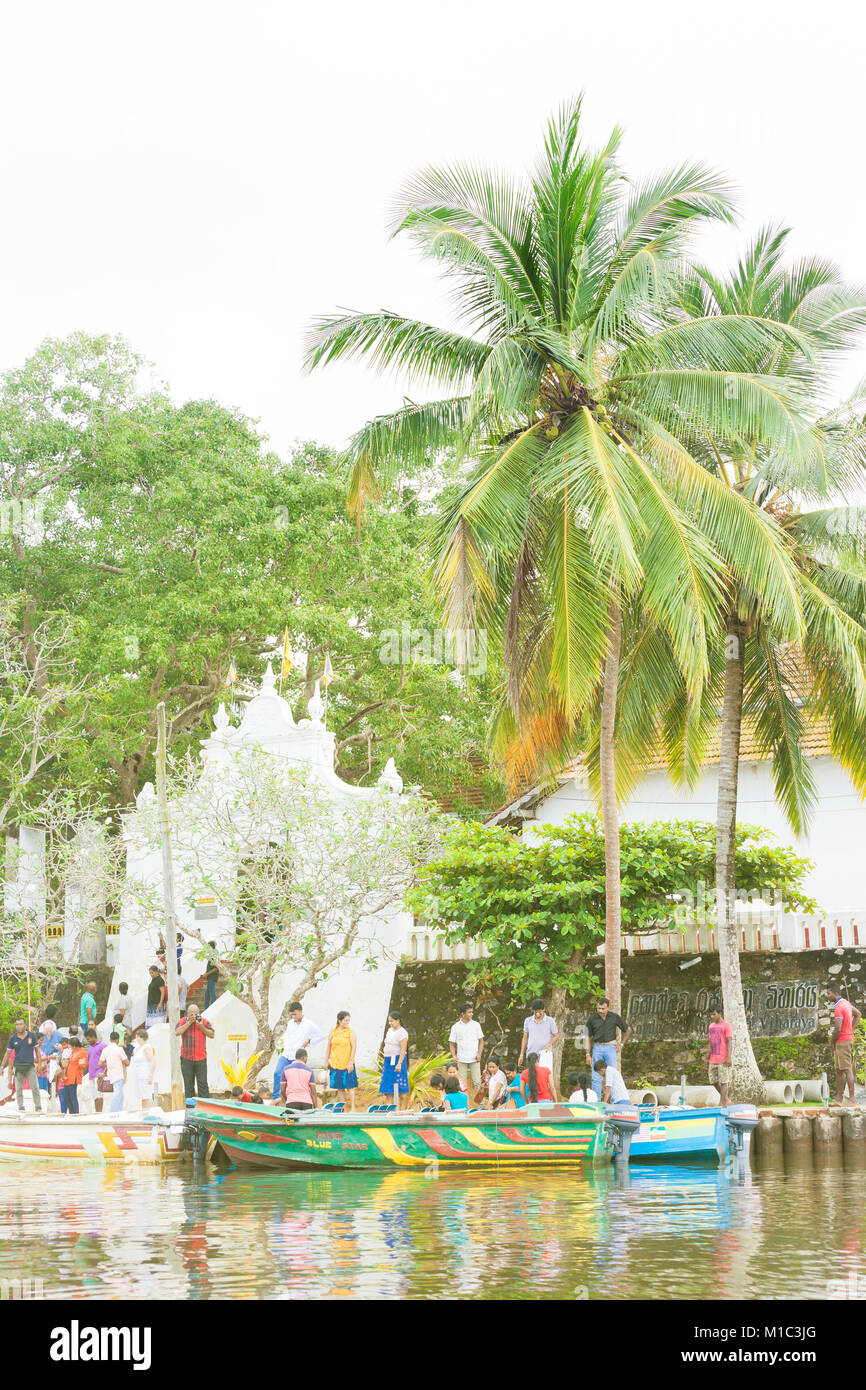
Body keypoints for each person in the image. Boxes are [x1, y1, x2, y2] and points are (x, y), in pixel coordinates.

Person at [272, 1001, 326, 1100]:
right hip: (286, 1054)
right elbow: (287, 1036)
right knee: (277, 1073)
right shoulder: (290, 1023)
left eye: (295, 1014)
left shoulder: (309, 1024)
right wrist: (281, 1045)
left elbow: (321, 1035)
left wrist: (309, 1042)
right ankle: (275, 1098)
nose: (293, 1016)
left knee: (294, 1079)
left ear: (301, 1012)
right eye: (292, 1014)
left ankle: (292, 1098)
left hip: (296, 1057)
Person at [585, 997, 631, 1101]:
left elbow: (627, 1029)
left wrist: (622, 1044)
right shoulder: (592, 1019)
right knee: (596, 1076)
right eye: (599, 1008)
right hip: (597, 1048)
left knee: (612, 1074)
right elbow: (588, 1036)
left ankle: (614, 1100)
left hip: (611, 1048)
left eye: (603, 1009)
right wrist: (587, 1054)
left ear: (608, 1008)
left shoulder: (614, 1017)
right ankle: (596, 1102)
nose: (600, 1011)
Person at [826, 985, 862, 1106]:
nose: (827, 996)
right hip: (844, 1040)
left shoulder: (839, 1007)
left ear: (834, 993)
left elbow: (837, 1029)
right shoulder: (846, 1003)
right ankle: (838, 1100)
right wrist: (850, 1029)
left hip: (842, 1042)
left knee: (847, 1069)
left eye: (828, 993)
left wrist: (832, 1041)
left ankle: (851, 1100)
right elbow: (858, 1014)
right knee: (839, 1070)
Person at [2, 1019, 43, 1114]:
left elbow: (37, 1051)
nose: (18, 1026)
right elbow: (7, 1053)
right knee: (18, 1089)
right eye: (17, 1024)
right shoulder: (13, 1038)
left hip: (30, 1066)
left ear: (25, 1025)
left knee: (35, 1087)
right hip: (18, 1067)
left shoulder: (32, 1036)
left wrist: (40, 1064)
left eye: (20, 1024)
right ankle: (21, 1107)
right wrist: (1, 1066)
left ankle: (38, 1107)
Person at [176, 1004, 214, 1099]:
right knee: (188, 1086)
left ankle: (205, 1109)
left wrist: (200, 1027)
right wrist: (188, 1023)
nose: (193, 1016)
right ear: (187, 1014)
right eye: (191, 1014)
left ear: (199, 1014)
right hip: (186, 1059)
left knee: (203, 1085)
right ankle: (190, 1109)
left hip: (201, 1059)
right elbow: (177, 1032)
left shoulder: (204, 1022)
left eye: (195, 1014)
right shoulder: (183, 1021)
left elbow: (212, 1034)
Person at [448, 1003, 484, 1092]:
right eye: (469, 1012)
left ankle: (482, 1105)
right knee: (461, 1084)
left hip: (475, 1058)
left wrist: (479, 1054)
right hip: (461, 1059)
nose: (472, 1014)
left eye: (472, 1012)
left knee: (477, 1082)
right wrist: (454, 1056)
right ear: (463, 1014)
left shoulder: (476, 1025)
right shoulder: (455, 1027)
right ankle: (464, 1104)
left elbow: (481, 1041)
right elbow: (451, 1043)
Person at [326, 1011, 358, 1112]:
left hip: (347, 1063)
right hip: (335, 1063)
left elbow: (354, 1047)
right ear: (339, 1021)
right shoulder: (333, 1031)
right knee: (339, 1088)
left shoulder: (351, 1032)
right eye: (345, 1020)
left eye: (348, 1020)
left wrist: (351, 1061)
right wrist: (326, 1060)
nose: (347, 1022)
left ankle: (353, 1108)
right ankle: (342, 1108)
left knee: (350, 1086)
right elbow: (329, 1046)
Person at [518, 1000, 559, 1072]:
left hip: (544, 1055)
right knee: (531, 1079)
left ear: (544, 1009)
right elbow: (525, 1038)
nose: (537, 1013)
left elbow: (556, 1036)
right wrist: (521, 1054)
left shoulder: (550, 1021)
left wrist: (550, 1044)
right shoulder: (528, 1020)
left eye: (539, 1011)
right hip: (531, 1054)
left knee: (544, 1079)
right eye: (535, 1011)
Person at [379, 1012, 409, 1111]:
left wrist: (399, 1063)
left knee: (401, 1086)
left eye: (392, 1021)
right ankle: (389, 1108)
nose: (390, 1023)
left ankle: (403, 1109)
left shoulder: (402, 1032)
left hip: (397, 1060)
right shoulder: (389, 1031)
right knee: (388, 1086)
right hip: (388, 1060)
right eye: (389, 1021)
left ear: (398, 1020)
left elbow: (403, 1049)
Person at [706, 1008, 733, 1106]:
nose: (712, 1017)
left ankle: (722, 1102)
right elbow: (711, 1042)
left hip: (723, 1059)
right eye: (711, 1015)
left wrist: (729, 1057)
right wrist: (707, 1058)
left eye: (714, 1014)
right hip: (713, 1058)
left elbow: (729, 1041)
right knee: (713, 1081)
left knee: (724, 1081)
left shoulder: (726, 1025)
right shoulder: (711, 1026)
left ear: (720, 1013)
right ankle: (726, 1099)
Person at [99, 1031, 129, 1113]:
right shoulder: (119, 1049)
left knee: (120, 1095)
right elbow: (127, 1062)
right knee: (118, 1094)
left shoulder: (105, 1050)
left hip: (111, 1075)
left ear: (110, 1039)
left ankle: (118, 1111)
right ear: (117, 1040)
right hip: (119, 1074)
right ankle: (113, 1112)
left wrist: (107, 1065)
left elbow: (100, 1063)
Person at [59, 1034, 87, 1114]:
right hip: (67, 1077)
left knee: (72, 1096)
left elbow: (84, 1065)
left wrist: (81, 1064)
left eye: (70, 1046)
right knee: (67, 1097)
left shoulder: (82, 1052)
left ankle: (75, 1113)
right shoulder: (72, 1052)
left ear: (74, 1046)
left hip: (74, 1077)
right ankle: (71, 1112)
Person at [130, 1029, 156, 1108]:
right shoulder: (139, 1048)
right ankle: (144, 1113)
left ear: (140, 1037)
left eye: (137, 1037)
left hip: (145, 1074)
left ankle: (151, 1113)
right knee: (143, 1097)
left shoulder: (146, 1047)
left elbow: (153, 1061)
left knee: (147, 1096)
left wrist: (150, 1075)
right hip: (139, 1075)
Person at [85, 1029, 107, 1113]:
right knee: (94, 1096)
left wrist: (105, 1070)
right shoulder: (90, 1047)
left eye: (89, 1039)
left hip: (99, 1074)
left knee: (99, 1094)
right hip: (91, 1074)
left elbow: (108, 1059)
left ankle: (99, 1112)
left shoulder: (103, 1045)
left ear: (94, 1037)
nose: (88, 1041)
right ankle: (96, 1112)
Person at [204, 943, 219, 1009]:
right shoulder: (211, 956)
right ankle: (206, 1009)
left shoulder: (214, 956)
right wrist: (205, 974)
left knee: (212, 994)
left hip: (212, 978)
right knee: (207, 995)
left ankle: (214, 1008)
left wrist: (206, 974)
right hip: (210, 978)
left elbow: (216, 968)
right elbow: (211, 968)